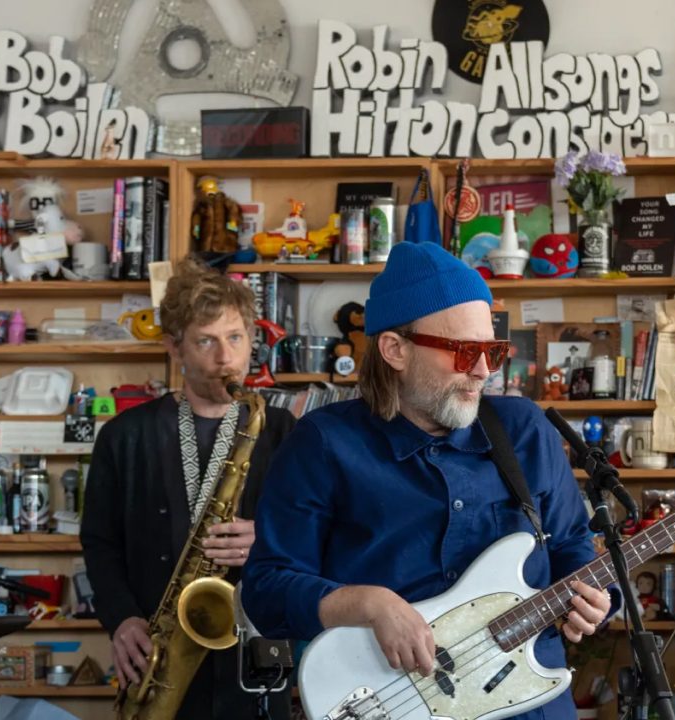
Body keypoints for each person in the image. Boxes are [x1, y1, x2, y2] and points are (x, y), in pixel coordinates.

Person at [242, 241, 611, 720]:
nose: (482, 371)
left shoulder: (523, 430)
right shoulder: (323, 444)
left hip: (529, 703)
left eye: (493, 351)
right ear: (395, 349)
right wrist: (367, 604)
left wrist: (595, 601)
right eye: (463, 352)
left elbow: (570, 545)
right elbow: (267, 588)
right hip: (388, 702)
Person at [81, 257, 296, 720]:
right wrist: (122, 620)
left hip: (255, 655)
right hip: (157, 658)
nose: (227, 359)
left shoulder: (281, 429)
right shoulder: (124, 435)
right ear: (174, 348)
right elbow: (99, 542)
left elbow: (321, 533)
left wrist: (268, 540)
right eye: (207, 342)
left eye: (236, 338)